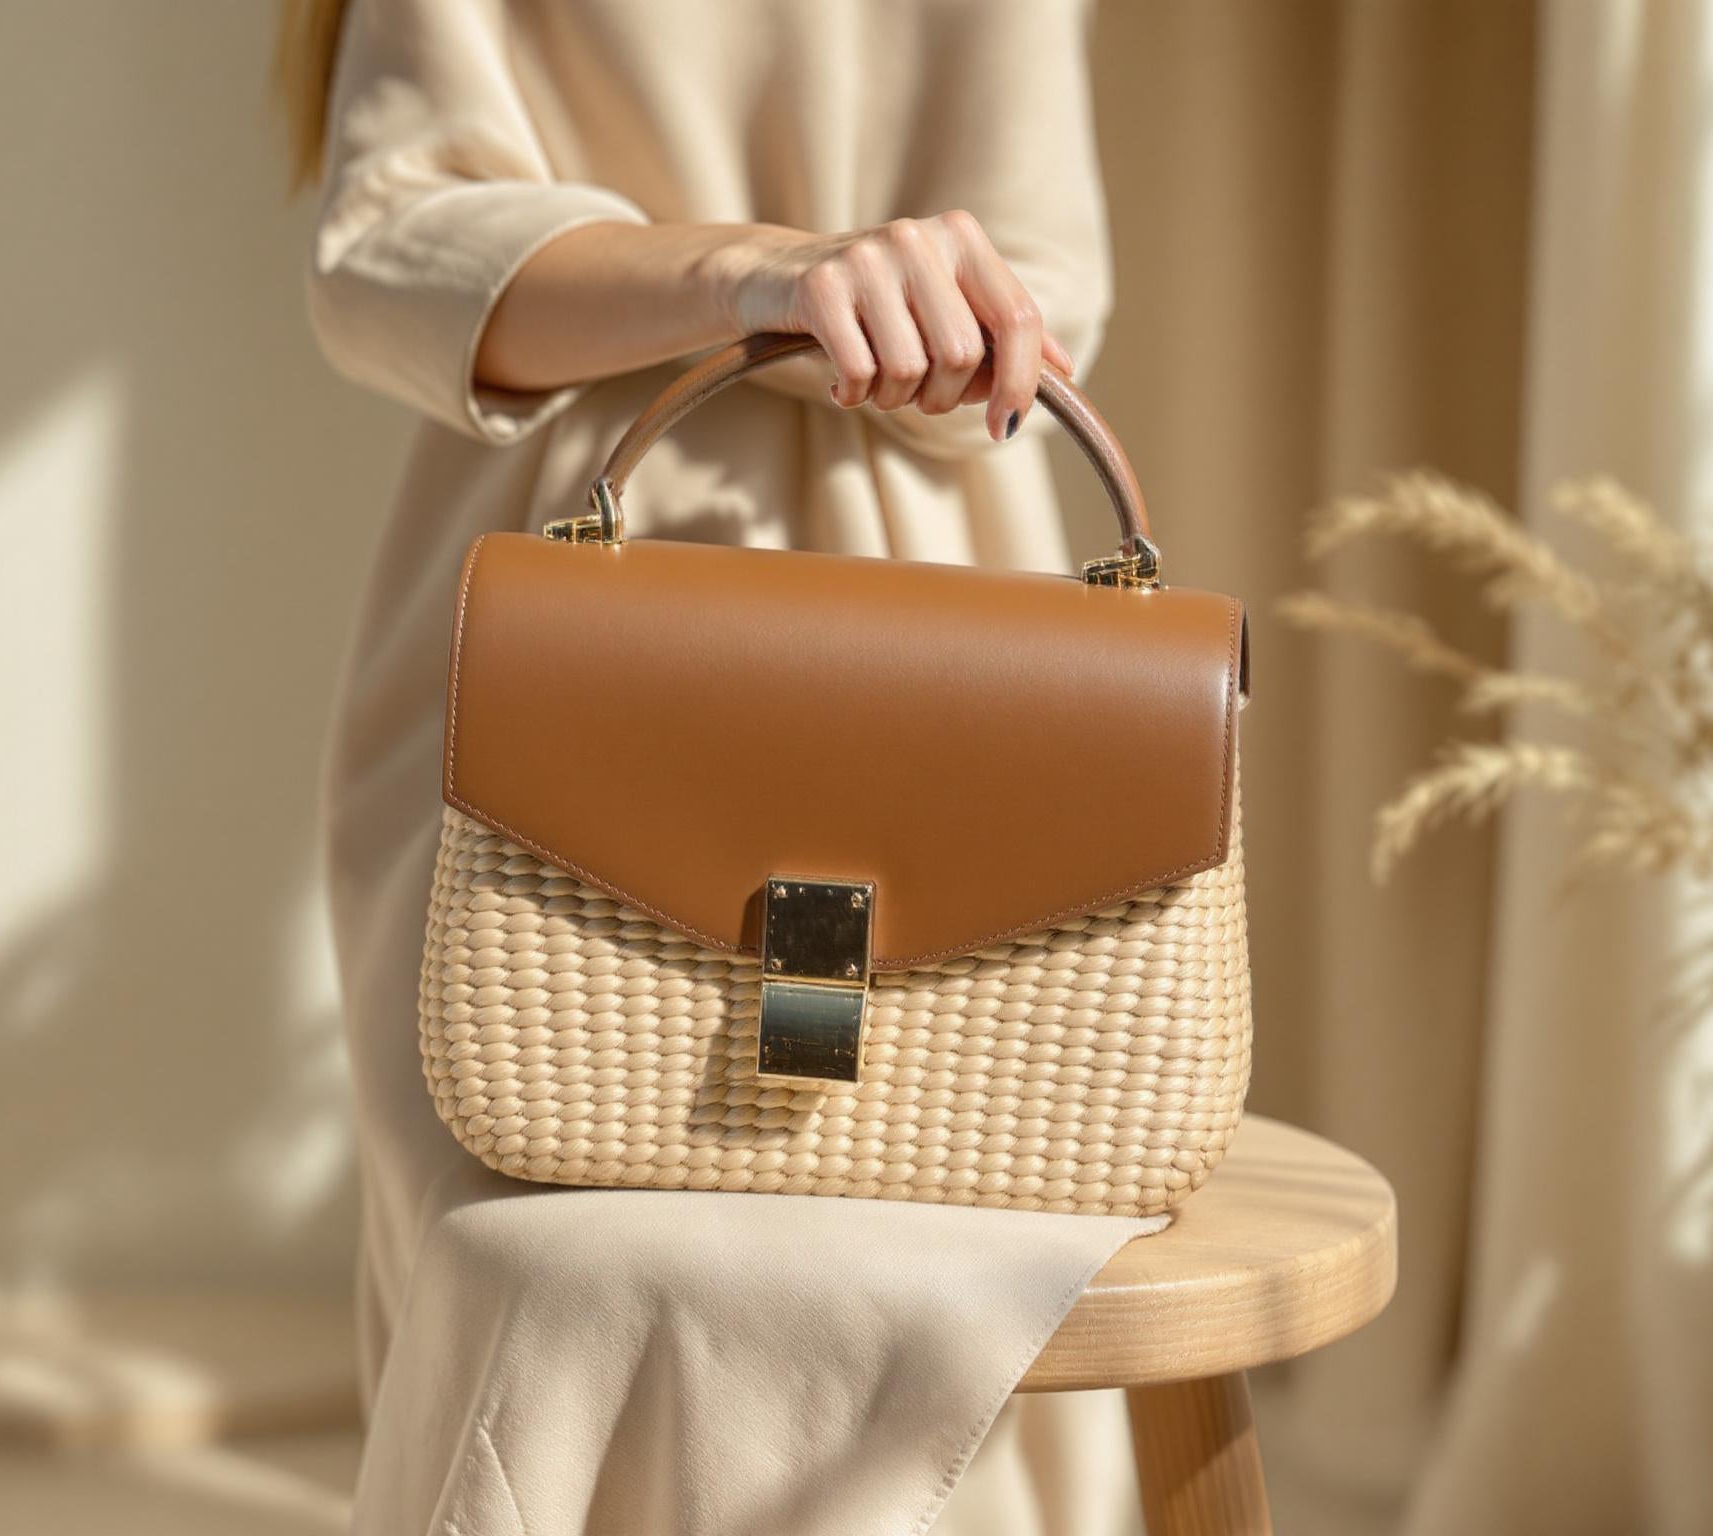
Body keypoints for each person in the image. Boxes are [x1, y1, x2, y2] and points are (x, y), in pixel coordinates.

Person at [286, 3, 1147, 1530]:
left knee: (946, 1295)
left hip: (934, 639)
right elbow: (388, 246)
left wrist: (903, 304)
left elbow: (1047, 275)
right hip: (553, 652)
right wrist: (761, 277)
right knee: (531, 1277)